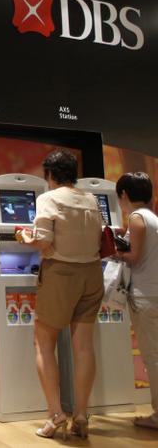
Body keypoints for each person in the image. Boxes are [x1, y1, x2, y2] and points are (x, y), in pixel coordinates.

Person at [18, 150, 103, 440]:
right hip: (92, 273)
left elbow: (43, 241)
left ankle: (55, 415)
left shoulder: (48, 198)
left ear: (50, 174)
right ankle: (80, 415)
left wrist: (24, 237)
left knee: (43, 342)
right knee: (84, 347)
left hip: (61, 274)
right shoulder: (90, 199)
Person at [115, 172, 158, 430]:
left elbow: (134, 257)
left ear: (124, 195)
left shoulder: (136, 217)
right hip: (154, 292)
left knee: (152, 358)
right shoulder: (152, 217)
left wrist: (115, 251)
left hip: (144, 296)